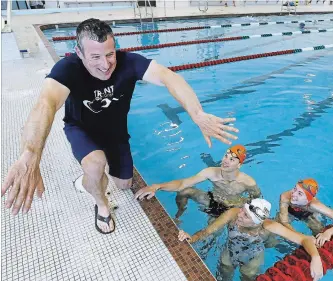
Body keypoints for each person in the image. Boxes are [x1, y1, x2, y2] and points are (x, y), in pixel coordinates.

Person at [1, 18, 239, 235]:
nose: (105, 65)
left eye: (109, 54)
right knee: (96, 164)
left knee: (123, 184)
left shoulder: (129, 62)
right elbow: (46, 104)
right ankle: (101, 205)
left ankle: (86, 182)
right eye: (95, 57)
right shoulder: (67, 69)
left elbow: (170, 77)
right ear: (79, 53)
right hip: (82, 130)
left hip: (116, 134)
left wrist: (197, 114)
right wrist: (31, 154)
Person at [178, 198, 324, 281]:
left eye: (246, 215)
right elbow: (208, 231)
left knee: (248, 276)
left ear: (257, 222)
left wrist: (316, 258)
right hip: (230, 251)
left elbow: (304, 239)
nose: (240, 214)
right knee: (223, 274)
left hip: (253, 258)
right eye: (242, 209)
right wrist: (192, 238)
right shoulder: (233, 213)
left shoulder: (268, 226)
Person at [135, 145, 261, 219]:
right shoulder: (211, 172)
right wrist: (157, 186)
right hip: (212, 200)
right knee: (185, 191)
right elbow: (182, 183)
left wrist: (237, 206)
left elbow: (256, 203)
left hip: (230, 210)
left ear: (239, 165)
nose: (226, 161)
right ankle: (179, 213)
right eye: (226, 156)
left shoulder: (248, 182)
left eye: (232, 159)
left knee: (213, 231)